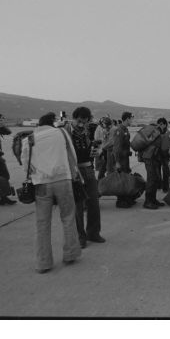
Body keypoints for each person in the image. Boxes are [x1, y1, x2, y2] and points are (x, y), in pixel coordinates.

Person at [21, 112, 81, 273]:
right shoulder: (60, 133)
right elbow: (71, 155)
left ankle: (43, 263)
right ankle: (70, 254)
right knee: (68, 217)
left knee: (42, 223)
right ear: (52, 122)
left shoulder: (29, 139)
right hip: (63, 180)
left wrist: (38, 174)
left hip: (41, 183)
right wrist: (75, 174)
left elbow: (25, 164)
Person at [66, 106, 104, 247]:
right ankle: (80, 237)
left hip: (88, 168)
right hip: (74, 171)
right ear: (74, 118)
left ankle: (93, 233)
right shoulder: (65, 132)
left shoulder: (89, 131)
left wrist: (98, 151)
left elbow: (99, 145)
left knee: (94, 202)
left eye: (85, 121)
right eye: (80, 121)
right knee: (78, 206)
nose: (82, 124)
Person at [141, 117, 168, 209]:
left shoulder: (156, 132)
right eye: (164, 125)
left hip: (153, 158)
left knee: (155, 179)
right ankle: (147, 201)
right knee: (151, 179)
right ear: (162, 124)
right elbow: (162, 148)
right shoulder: (157, 133)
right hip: (150, 158)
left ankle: (153, 200)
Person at [113, 111, 135, 208]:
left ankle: (126, 199)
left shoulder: (125, 129)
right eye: (131, 118)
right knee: (121, 179)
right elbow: (116, 148)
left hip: (125, 158)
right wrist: (117, 162)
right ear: (127, 119)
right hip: (121, 159)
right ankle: (120, 201)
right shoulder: (120, 130)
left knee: (125, 178)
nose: (132, 120)